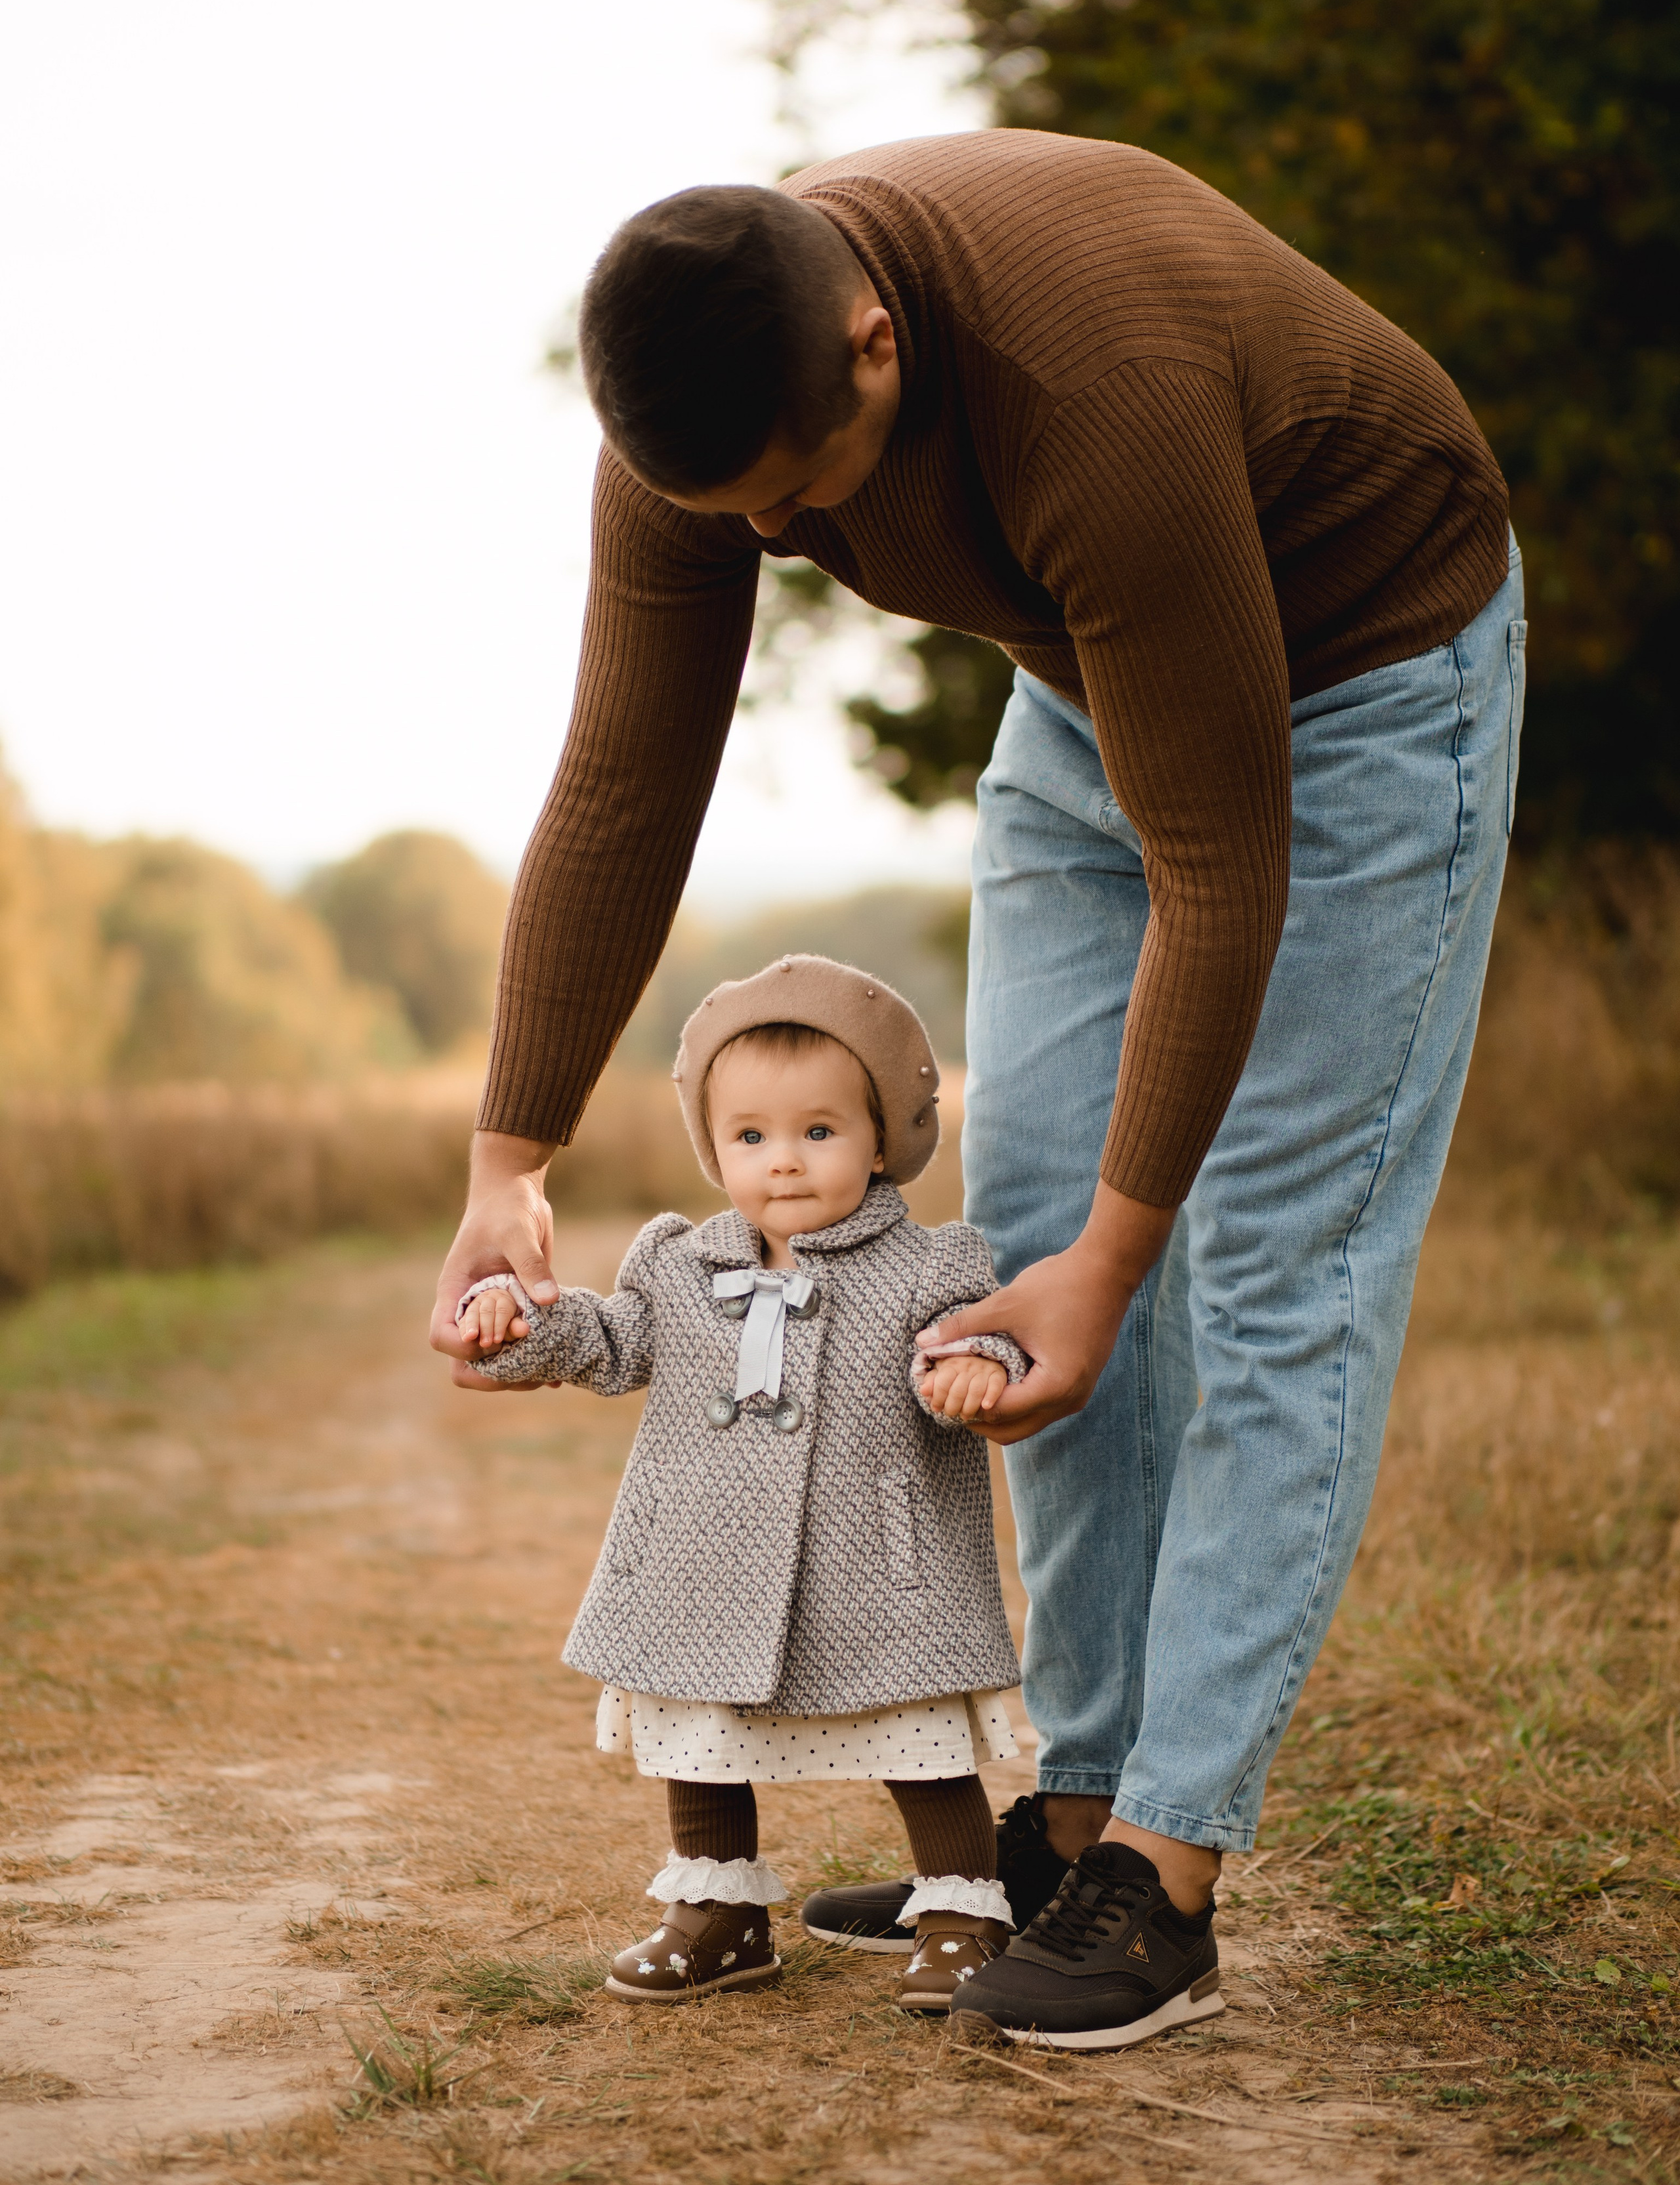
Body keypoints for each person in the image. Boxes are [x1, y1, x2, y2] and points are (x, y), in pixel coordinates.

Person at [432, 129, 1521, 2050]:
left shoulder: (1090, 381)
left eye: (800, 493)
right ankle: (1074, 1817)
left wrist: (1124, 1248)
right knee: (1013, 1258)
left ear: (876, 342)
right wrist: (507, 1161)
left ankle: (1166, 1875)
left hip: (1363, 678)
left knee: (1268, 1270)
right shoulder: (697, 408)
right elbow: (624, 779)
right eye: (738, 514)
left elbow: (1221, 866)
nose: (783, 539)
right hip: (1085, 689)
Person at [459, 953, 1090, 2018]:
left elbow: (971, 1345)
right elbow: (610, 1343)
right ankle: (718, 1911)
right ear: (715, 1149)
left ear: (880, 1139)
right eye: (750, 1136)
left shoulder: (928, 1266)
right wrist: (518, 1318)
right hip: (702, 1557)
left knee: (916, 1730)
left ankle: (960, 1909)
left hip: (877, 1561)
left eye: (819, 1130)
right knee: (700, 1726)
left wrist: (977, 1369)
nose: (783, 1160)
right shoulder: (680, 1263)